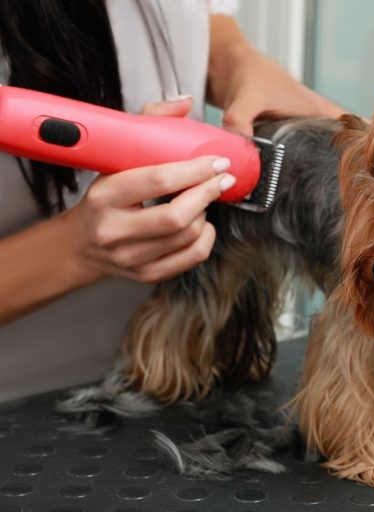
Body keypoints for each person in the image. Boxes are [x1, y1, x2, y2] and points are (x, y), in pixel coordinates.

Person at [0, 0, 345, 402]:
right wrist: (74, 249)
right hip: (20, 393)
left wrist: (239, 62)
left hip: (172, 373)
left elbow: (201, 19)